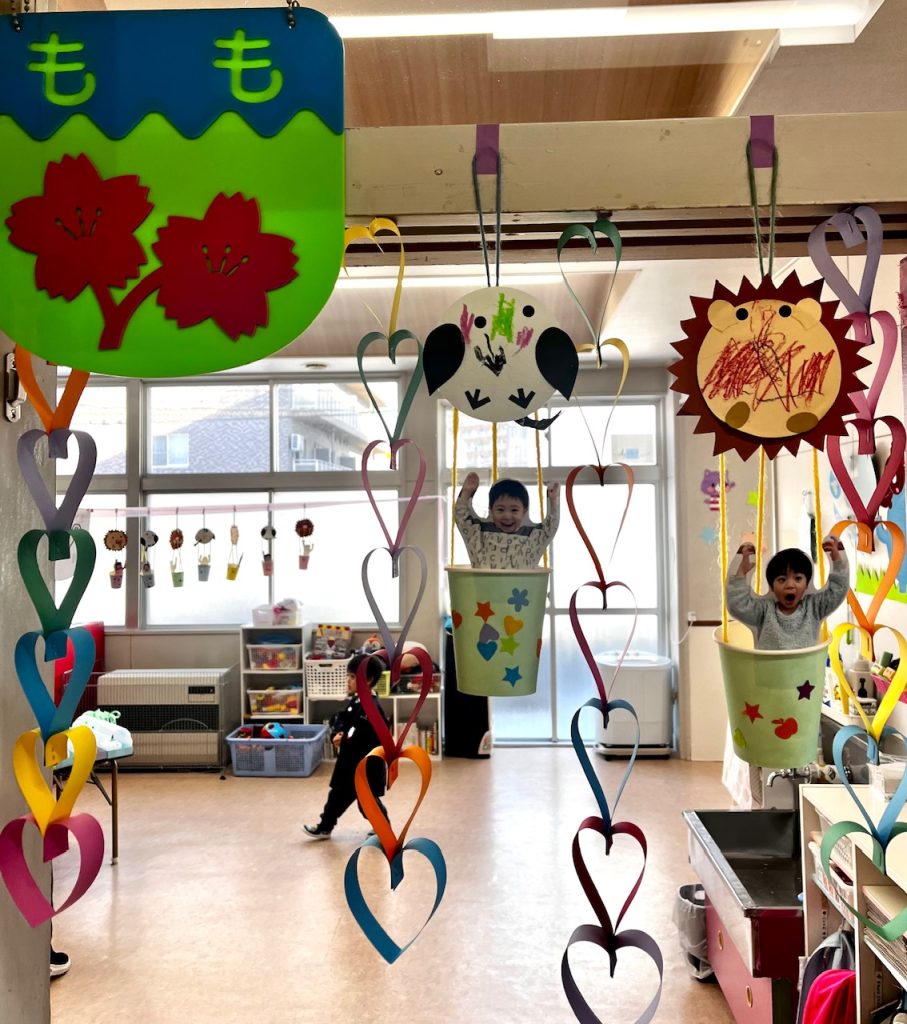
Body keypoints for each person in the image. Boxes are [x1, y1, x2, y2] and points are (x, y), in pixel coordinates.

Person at [303, 653, 391, 839]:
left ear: (368, 680)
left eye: (352, 676)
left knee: (366, 803)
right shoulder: (357, 701)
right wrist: (337, 733)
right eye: (348, 676)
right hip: (349, 764)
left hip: (365, 767)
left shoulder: (371, 708)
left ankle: (383, 829)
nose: (348, 680)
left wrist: (343, 740)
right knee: (336, 797)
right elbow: (342, 720)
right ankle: (325, 827)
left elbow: (366, 737)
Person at [726, 535, 849, 650]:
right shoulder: (764, 610)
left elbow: (837, 592)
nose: (790, 585)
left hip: (805, 666)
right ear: (772, 587)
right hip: (768, 666)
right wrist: (741, 572)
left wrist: (837, 562)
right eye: (782, 579)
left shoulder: (814, 607)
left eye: (798, 578)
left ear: (807, 584)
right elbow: (738, 605)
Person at [454, 472, 559, 569]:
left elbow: (550, 527)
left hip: (522, 584)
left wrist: (553, 501)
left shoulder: (533, 537)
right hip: (483, 584)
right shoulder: (479, 534)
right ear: (491, 510)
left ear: (524, 511)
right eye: (500, 509)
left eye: (514, 510)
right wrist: (466, 492)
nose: (507, 516)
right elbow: (462, 518)